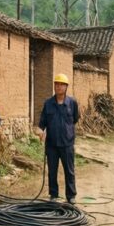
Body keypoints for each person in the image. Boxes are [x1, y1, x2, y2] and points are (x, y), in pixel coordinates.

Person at [38, 74, 81, 204]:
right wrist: (40, 132)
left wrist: (67, 132)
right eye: (56, 84)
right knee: (52, 170)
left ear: (66, 87)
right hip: (51, 144)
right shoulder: (48, 103)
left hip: (67, 143)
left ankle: (71, 195)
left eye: (61, 84)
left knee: (69, 170)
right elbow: (42, 124)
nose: (58, 86)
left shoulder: (72, 103)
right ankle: (53, 194)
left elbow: (75, 119)